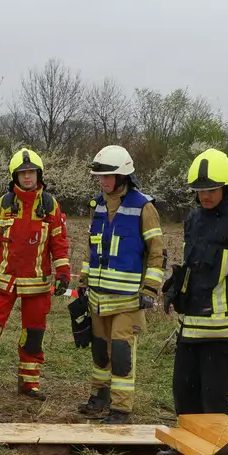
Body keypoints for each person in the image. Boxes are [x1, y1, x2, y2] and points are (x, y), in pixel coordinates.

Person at [164, 148, 228, 418]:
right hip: (189, 330)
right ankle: (187, 454)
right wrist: (178, 287)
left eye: (210, 189)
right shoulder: (193, 220)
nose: (204, 195)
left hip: (222, 336)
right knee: (184, 397)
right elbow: (191, 267)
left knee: (216, 403)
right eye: (199, 190)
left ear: (227, 187)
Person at [0, 148, 70, 399]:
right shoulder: (4, 204)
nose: (27, 177)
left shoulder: (50, 205)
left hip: (37, 283)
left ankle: (29, 383)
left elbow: (59, 242)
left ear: (38, 173)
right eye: (22, 173)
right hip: (3, 280)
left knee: (34, 334)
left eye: (31, 172)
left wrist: (63, 272)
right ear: (14, 177)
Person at [76, 145, 165, 424]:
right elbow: (92, 247)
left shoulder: (143, 207)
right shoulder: (98, 205)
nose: (102, 182)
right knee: (100, 350)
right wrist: (84, 280)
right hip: (98, 299)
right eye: (99, 177)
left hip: (128, 299)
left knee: (122, 353)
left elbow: (156, 251)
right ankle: (99, 397)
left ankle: (121, 408)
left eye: (108, 176)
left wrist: (150, 289)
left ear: (123, 176)